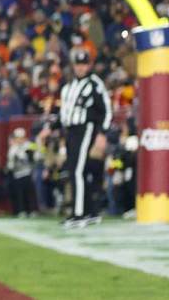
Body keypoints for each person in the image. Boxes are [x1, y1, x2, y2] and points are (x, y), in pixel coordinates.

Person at [59, 50, 111, 228]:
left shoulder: (94, 84)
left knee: (77, 171)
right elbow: (65, 113)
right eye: (78, 64)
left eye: (83, 64)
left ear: (88, 65)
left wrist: (103, 133)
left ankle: (79, 214)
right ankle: (90, 212)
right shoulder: (69, 86)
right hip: (71, 130)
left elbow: (106, 109)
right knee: (75, 170)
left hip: (86, 128)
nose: (80, 68)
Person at [7, 127, 38, 217]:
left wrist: (29, 155)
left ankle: (31, 210)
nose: (19, 139)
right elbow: (10, 163)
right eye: (18, 137)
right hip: (17, 174)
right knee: (19, 194)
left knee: (29, 193)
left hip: (27, 172)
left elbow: (37, 156)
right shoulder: (13, 148)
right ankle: (21, 210)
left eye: (21, 137)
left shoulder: (29, 145)